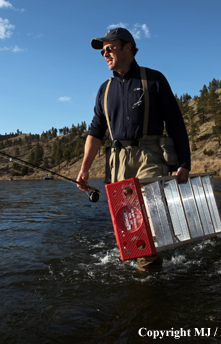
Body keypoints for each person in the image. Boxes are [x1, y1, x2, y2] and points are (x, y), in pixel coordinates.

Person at [76, 27, 191, 271]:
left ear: (129, 47)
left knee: (147, 216)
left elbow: (175, 123)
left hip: (150, 155)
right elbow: (96, 132)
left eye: (110, 48)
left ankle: (147, 276)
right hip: (118, 161)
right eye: (103, 51)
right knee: (128, 222)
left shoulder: (154, 79)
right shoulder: (104, 90)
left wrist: (184, 162)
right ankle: (146, 264)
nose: (105, 54)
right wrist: (84, 169)